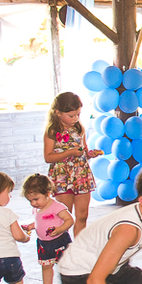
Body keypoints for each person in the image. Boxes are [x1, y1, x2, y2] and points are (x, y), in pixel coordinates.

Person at [43, 92, 101, 237]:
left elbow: (82, 152)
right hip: (62, 177)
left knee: (82, 215)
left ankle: (79, 248)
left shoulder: (79, 129)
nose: (75, 118)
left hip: (81, 175)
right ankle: (63, 247)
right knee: (64, 216)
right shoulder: (52, 131)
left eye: (78, 114)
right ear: (57, 113)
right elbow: (48, 157)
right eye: (71, 115)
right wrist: (69, 153)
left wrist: (89, 154)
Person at [21, 174, 74, 284]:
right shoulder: (37, 208)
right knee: (46, 266)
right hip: (44, 243)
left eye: (36, 199)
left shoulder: (56, 207)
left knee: (64, 265)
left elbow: (69, 220)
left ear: (48, 193)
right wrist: (32, 226)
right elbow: (41, 222)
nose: (33, 203)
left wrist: (60, 229)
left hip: (59, 240)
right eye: (30, 201)